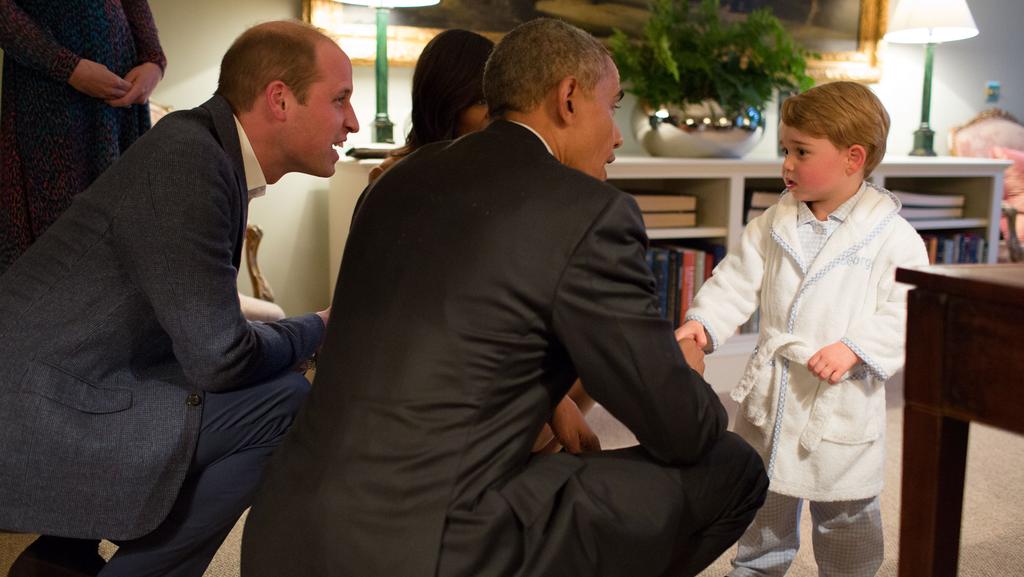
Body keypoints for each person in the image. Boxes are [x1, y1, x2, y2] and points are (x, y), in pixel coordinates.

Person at [241, 18, 767, 577]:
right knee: (731, 466)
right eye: (612, 108)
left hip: (283, 532)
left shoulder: (395, 179)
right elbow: (680, 429)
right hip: (425, 549)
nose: (616, 137)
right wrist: (685, 375)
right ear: (568, 98)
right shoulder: (587, 212)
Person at [0, 20, 359, 577]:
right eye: (340, 100)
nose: (352, 122)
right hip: (42, 405)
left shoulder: (203, 149)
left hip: (72, 380)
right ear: (280, 100)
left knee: (258, 389)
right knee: (284, 404)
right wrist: (321, 325)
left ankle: (58, 559)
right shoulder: (190, 161)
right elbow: (220, 358)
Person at [676, 81, 930, 576]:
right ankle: (756, 567)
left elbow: (909, 308)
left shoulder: (892, 237)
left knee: (845, 510)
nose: (786, 164)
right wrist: (702, 323)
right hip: (773, 394)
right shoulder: (774, 223)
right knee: (763, 496)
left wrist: (855, 348)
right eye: (784, 151)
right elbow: (734, 279)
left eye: (801, 151)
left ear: (853, 157)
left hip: (839, 400)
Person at [367, 27, 598, 455]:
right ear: (446, 104)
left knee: (586, 348)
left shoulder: (499, 175)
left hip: (479, 351)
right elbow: (441, 321)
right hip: (424, 367)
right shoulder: (398, 180)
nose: (497, 119)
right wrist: (549, 398)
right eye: (482, 104)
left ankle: (526, 467)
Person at [0, 0, 166, 275]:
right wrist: (67, 67)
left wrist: (153, 60)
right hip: (49, 98)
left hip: (121, 102)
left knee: (121, 230)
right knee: (56, 244)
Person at [368, 28, 494, 183]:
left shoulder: (505, 170)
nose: (497, 113)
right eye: (482, 102)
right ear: (446, 102)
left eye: (499, 99)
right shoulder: (392, 176)